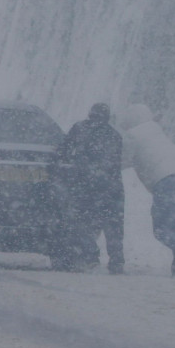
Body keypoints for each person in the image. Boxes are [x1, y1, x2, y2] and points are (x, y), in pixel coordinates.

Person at [116, 104, 175, 277]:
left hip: (166, 182)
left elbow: (122, 161)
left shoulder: (133, 136)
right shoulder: (156, 130)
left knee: (161, 229)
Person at [55, 103, 125, 273]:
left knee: (81, 221)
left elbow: (63, 151)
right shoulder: (115, 135)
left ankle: (91, 256)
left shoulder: (79, 128)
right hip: (111, 187)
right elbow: (116, 163)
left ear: (90, 114)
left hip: (85, 185)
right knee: (113, 226)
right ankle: (116, 261)